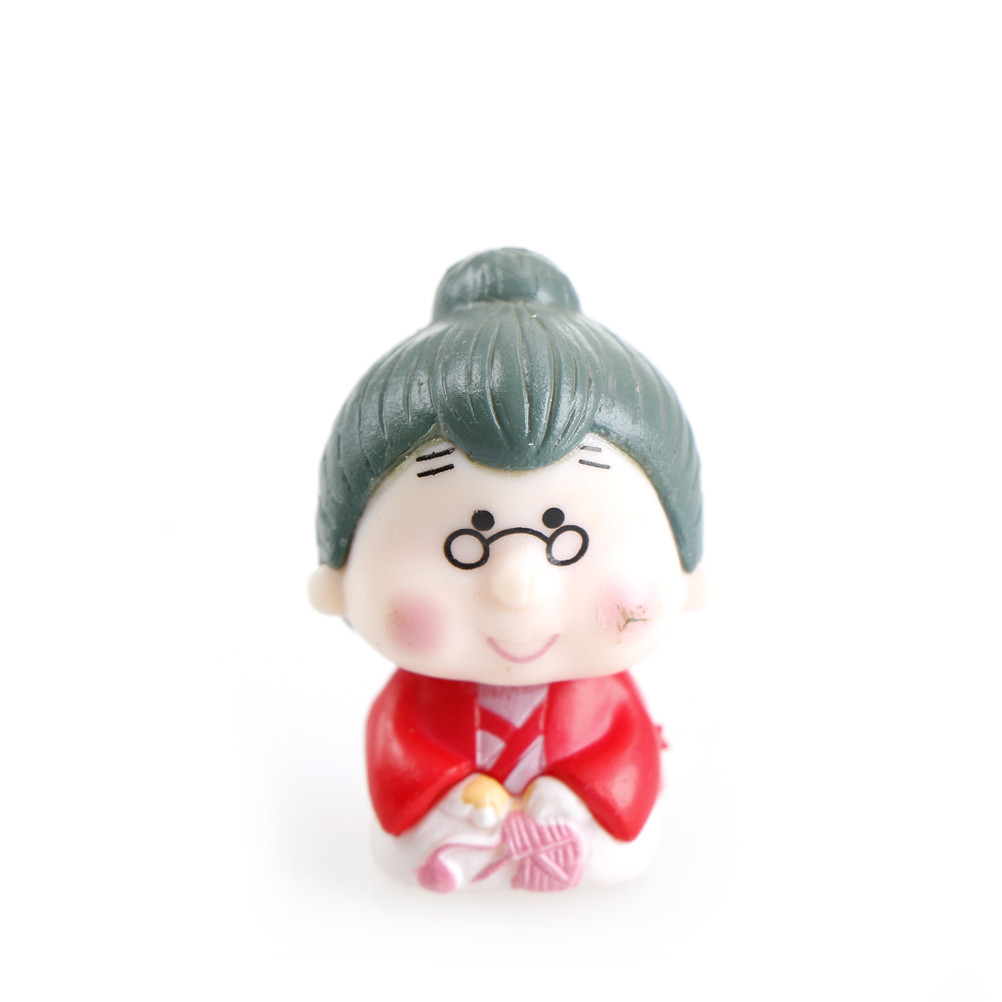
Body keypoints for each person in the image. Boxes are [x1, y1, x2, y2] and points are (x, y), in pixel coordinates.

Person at [309, 248, 708, 891]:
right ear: (341, 582)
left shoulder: (602, 701)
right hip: (458, 830)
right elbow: (400, 752)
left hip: (572, 827)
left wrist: (571, 796)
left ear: (685, 570)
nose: (518, 587)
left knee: (608, 850)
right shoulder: (416, 701)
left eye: (567, 542)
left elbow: (623, 754)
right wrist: (458, 793)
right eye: (466, 546)